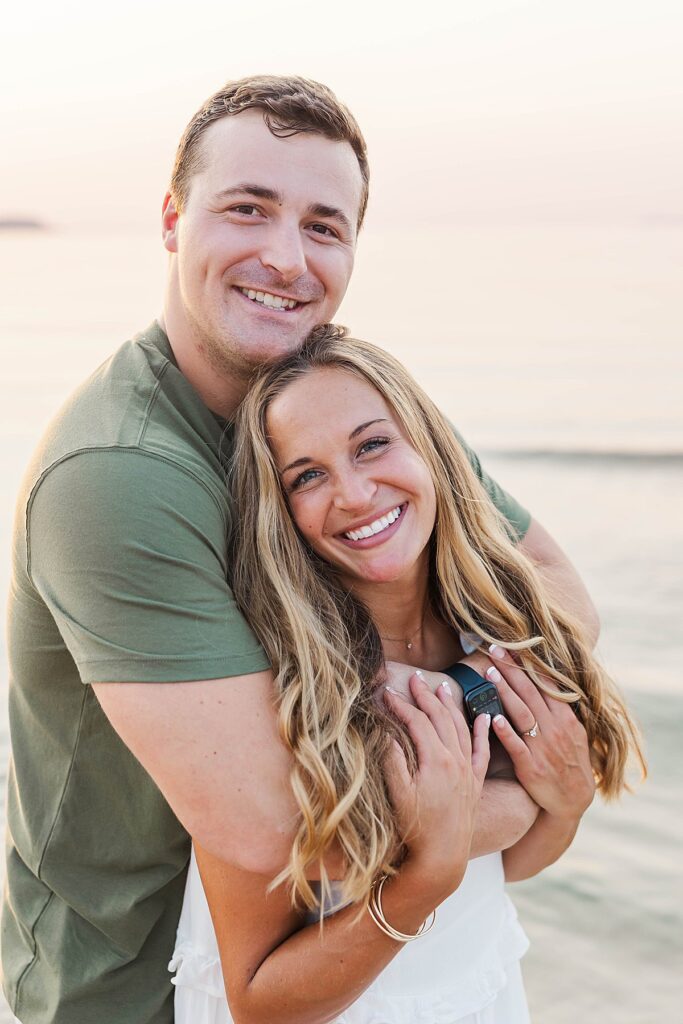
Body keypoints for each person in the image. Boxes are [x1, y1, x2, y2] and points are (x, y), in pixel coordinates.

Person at [3, 76, 602, 1023]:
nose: (286, 258)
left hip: (357, 952)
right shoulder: (117, 477)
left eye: (324, 226)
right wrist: (537, 792)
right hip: (135, 985)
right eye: (248, 209)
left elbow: (560, 600)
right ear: (172, 220)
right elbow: (282, 830)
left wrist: (442, 701)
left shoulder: (337, 401)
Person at [168, 326, 645, 1024]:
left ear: (429, 445)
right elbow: (259, 1003)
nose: (355, 493)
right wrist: (429, 868)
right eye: (307, 476)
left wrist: (563, 805)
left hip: (478, 990)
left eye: (371, 445)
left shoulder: (493, 634)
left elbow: (509, 867)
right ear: (280, 512)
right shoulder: (270, 691)